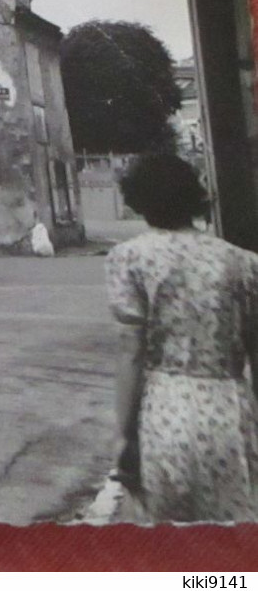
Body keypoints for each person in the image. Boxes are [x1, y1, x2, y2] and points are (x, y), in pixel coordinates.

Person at [106, 152, 258, 522]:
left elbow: (131, 351)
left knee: (170, 544)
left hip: (164, 412)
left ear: (139, 201)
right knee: (232, 541)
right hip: (229, 410)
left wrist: (123, 435)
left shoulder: (130, 258)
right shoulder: (243, 262)